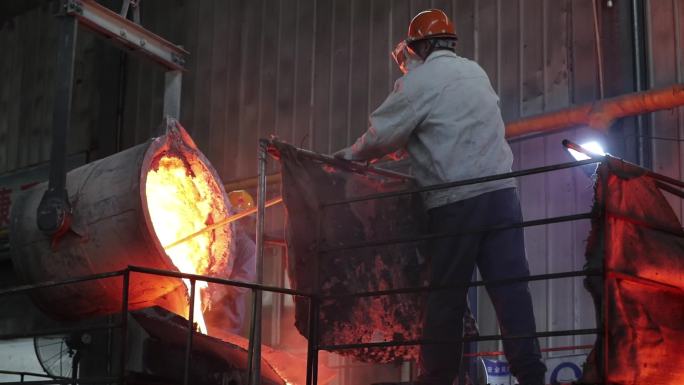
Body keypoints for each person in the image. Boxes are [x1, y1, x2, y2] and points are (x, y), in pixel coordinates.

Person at [333, 9, 546, 385]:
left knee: (446, 297)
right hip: (502, 198)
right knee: (512, 291)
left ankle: (436, 378)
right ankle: (531, 375)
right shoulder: (475, 72)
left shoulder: (418, 83)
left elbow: (381, 136)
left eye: (412, 51)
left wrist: (347, 158)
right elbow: (444, 130)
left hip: (457, 202)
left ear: (422, 46)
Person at [205, 190, 257, 336]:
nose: (239, 223)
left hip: (227, 318)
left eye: (243, 219)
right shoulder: (213, 240)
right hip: (206, 313)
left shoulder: (248, 248)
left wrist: (218, 293)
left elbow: (241, 284)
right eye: (235, 217)